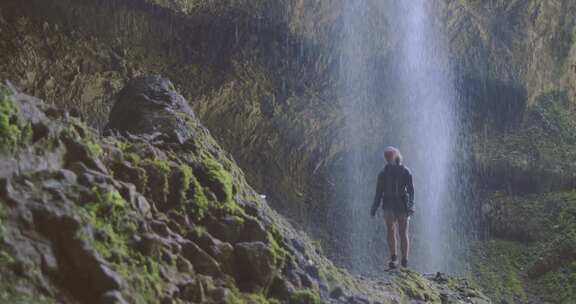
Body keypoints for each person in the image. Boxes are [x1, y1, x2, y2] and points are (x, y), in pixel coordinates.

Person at [370, 146, 414, 269]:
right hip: (388, 203)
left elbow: (411, 190)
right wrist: (374, 206)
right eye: (387, 156)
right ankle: (394, 258)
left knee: (403, 231)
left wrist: (411, 205)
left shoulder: (405, 171)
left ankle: (405, 259)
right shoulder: (383, 173)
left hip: (402, 203)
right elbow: (379, 192)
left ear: (396, 155)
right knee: (390, 229)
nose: (388, 158)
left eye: (390, 155)